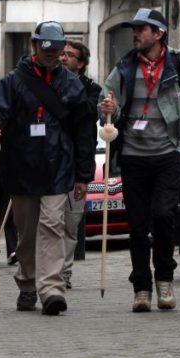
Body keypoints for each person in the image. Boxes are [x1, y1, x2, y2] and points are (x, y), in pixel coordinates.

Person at [0, 21, 96, 316]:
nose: (52, 54)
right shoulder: (12, 81)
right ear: (34, 46)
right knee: (27, 232)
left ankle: (52, 289)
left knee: (53, 226)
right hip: (22, 167)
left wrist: (83, 174)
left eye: (57, 50)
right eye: (47, 48)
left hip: (59, 167)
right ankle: (28, 284)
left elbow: (84, 132)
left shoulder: (71, 83)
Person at [99, 8, 180, 312]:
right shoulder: (124, 66)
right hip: (133, 156)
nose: (135, 34)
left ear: (158, 33)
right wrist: (109, 108)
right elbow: (106, 106)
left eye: (142, 29)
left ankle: (165, 279)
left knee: (163, 216)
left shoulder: (177, 63)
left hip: (167, 155)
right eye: (134, 28)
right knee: (136, 225)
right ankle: (141, 288)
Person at [60, 40, 102, 289]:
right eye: (62, 54)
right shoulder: (48, 84)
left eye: (70, 55)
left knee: (70, 224)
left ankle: (64, 273)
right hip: (51, 166)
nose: (64, 58)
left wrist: (84, 176)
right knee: (48, 224)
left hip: (76, 167)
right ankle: (48, 273)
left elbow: (87, 129)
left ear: (82, 63)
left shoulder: (90, 90)